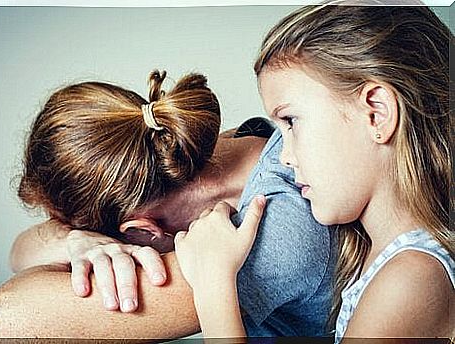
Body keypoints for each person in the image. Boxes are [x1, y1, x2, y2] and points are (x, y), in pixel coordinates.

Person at [0, 70, 336, 338]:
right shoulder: (232, 146)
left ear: (140, 231)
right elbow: (20, 249)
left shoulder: (278, 229)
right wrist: (78, 242)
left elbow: (2, 323)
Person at [174, 3, 454, 342]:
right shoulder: (371, 254)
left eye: (291, 122)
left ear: (376, 114)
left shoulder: (412, 278)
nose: (286, 157)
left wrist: (213, 284)